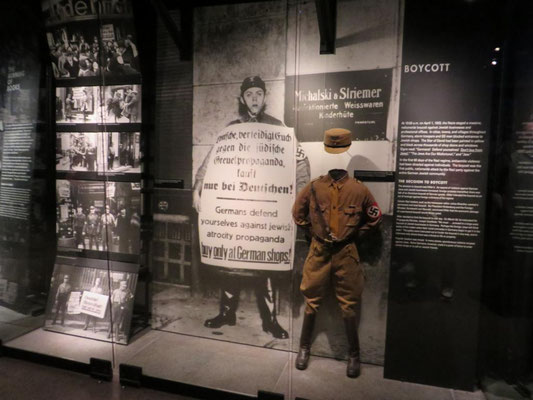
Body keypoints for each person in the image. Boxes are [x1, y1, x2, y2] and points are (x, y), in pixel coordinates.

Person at [193, 75, 310, 339]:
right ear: (242, 98)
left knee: (265, 266)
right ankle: (226, 312)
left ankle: (270, 320)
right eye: (249, 94)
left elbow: (300, 163)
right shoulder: (232, 129)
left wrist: (302, 195)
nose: (254, 99)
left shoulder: (279, 129)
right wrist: (197, 188)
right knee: (230, 261)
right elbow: (212, 160)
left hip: (266, 210)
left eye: (258, 93)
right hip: (238, 210)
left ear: (265, 97)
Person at [291, 128, 382, 378]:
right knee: (311, 302)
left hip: (346, 253)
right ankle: (304, 348)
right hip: (319, 251)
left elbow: (375, 217)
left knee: (349, 304)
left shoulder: (359, 190)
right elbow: (298, 214)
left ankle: (354, 355)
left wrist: (355, 236)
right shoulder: (314, 188)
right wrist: (312, 234)